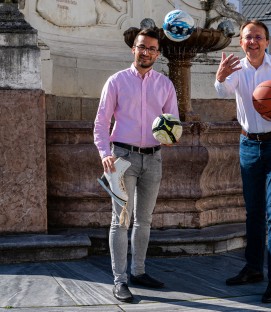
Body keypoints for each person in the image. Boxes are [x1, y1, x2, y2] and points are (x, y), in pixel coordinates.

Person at [214, 20, 271, 303]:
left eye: (258, 37)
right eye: (247, 37)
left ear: (267, 42)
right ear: (241, 43)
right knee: (253, 212)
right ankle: (253, 268)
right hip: (248, 145)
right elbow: (222, 92)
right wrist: (219, 77)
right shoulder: (236, 69)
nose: (252, 41)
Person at [94, 28, 179, 303]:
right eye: (142, 47)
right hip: (122, 158)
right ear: (134, 48)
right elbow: (100, 122)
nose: (147, 52)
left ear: (158, 53)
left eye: (152, 48)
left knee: (144, 220)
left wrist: (171, 138)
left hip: (153, 158)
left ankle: (139, 271)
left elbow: (174, 122)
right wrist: (104, 153)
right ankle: (120, 281)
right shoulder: (116, 81)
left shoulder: (165, 85)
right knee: (120, 221)